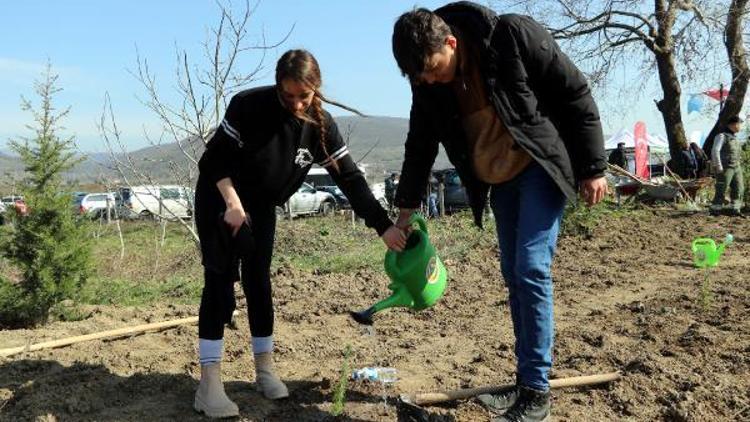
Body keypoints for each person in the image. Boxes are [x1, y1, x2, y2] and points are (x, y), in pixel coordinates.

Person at [391, 4, 607, 421]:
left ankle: (537, 393)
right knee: (513, 275)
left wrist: (593, 166)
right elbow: (419, 145)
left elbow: (573, 90)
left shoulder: (511, 37)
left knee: (530, 269)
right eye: (421, 77)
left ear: (451, 42)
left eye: (434, 69)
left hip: (539, 166)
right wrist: (406, 210)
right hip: (500, 180)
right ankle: (525, 384)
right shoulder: (428, 82)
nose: (431, 80)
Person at [193, 49, 406, 418]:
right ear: (278, 87)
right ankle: (209, 385)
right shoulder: (249, 106)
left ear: (315, 90)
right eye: (287, 95)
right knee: (220, 281)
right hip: (221, 199)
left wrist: (384, 227)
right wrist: (232, 203)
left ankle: (264, 369)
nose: (294, 104)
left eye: (302, 97)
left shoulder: (320, 126)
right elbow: (212, 161)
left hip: (260, 207)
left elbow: (351, 180)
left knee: (259, 281)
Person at [710, 115, 745, 216]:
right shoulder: (721, 136)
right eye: (739, 124)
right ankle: (715, 210)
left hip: (736, 167)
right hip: (726, 167)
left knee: (739, 188)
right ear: (733, 125)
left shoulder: (735, 138)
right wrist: (718, 166)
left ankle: (734, 209)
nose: (740, 127)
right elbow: (715, 151)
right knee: (722, 188)